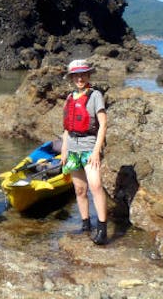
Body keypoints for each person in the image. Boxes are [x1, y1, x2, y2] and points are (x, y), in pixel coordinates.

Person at [60, 59, 109, 245]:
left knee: (95, 186)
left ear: (88, 75)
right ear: (72, 77)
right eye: (76, 75)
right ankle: (85, 225)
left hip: (89, 146)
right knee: (80, 189)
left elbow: (103, 124)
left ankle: (102, 228)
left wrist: (96, 151)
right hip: (72, 148)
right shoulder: (70, 97)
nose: (80, 78)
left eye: (83, 74)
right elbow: (66, 128)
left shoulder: (95, 95)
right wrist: (64, 150)